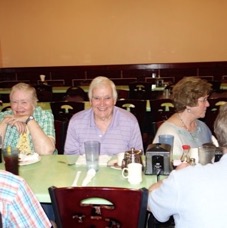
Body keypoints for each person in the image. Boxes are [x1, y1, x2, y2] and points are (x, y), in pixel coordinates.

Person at [147, 103, 227, 227]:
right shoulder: (170, 129)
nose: (208, 104)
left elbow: (150, 203)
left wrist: (173, 178)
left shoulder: (185, 178)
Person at [64, 76, 143, 155]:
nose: (102, 103)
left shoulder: (130, 122)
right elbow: (70, 159)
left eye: (107, 98)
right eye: (97, 98)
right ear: (90, 101)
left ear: (114, 100)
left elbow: (137, 158)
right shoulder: (76, 122)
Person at [152, 76, 213, 159]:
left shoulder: (201, 126)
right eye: (203, 100)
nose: (208, 104)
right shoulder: (168, 134)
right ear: (188, 103)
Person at [0, 83, 55, 155]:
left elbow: (46, 152)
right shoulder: (3, 117)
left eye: (24, 102)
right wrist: (4, 124)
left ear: (34, 103)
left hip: (39, 165)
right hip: (11, 164)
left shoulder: (44, 116)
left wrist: (29, 120)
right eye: (14, 102)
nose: (18, 107)